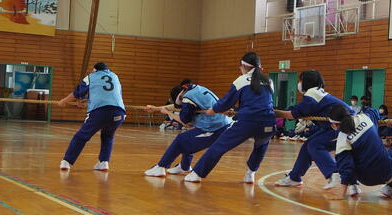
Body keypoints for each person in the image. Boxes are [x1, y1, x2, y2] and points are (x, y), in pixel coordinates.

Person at [184, 52, 275, 184]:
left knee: (219, 146)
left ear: (244, 66)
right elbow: (259, 103)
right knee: (261, 146)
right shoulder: (269, 81)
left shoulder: (240, 81)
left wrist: (213, 110)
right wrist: (238, 112)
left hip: (248, 122)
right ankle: (250, 174)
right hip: (269, 122)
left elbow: (226, 102)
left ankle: (197, 174)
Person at [273, 70, 352, 189]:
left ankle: (334, 173)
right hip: (331, 127)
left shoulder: (312, 95)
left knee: (314, 145)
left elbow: (293, 114)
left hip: (344, 127)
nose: (299, 83)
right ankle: (294, 177)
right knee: (307, 146)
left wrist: (273, 112)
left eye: (300, 80)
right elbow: (297, 109)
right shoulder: (316, 93)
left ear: (306, 82)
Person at [144, 79, 232, 177]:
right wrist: (155, 108)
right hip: (219, 125)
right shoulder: (195, 90)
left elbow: (185, 123)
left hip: (216, 129)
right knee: (188, 140)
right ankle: (184, 166)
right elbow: (176, 106)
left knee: (180, 140)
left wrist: (168, 113)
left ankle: (161, 167)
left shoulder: (187, 98)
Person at [58, 62, 125, 172]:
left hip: (100, 112)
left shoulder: (91, 76)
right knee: (108, 136)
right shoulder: (115, 76)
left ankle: (66, 162)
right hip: (119, 112)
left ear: (94, 70)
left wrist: (63, 101)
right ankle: (104, 162)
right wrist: (86, 101)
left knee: (81, 136)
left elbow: (77, 93)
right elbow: (108, 94)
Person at [328, 103, 392, 197]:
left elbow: (346, 166)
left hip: (366, 179)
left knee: (347, 157)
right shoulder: (365, 117)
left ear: (335, 125)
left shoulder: (342, 139)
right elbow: (374, 111)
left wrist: (341, 193)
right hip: (387, 170)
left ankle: (353, 186)